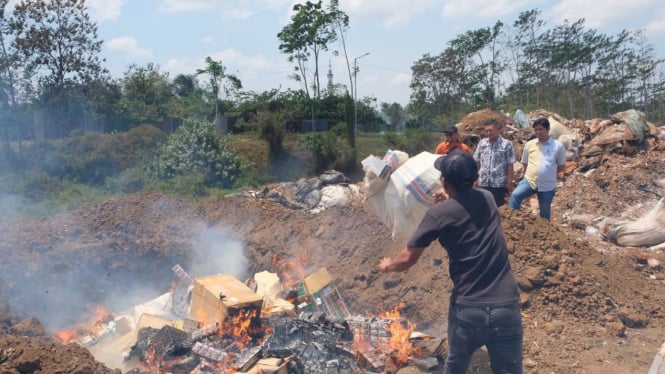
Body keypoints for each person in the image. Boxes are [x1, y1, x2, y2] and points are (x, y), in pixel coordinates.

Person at [379, 149, 523, 374]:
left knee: (456, 366)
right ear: (475, 179)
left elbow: (407, 259)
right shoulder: (487, 199)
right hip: (507, 307)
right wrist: (449, 197)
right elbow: (465, 203)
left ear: (444, 181)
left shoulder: (438, 214)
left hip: (469, 311)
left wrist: (388, 266)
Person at [508, 117, 566, 221]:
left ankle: (546, 233)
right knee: (515, 196)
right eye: (536, 130)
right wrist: (532, 173)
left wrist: (556, 178)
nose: (538, 132)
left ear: (548, 129)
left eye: (541, 129)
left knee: (545, 211)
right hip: (530, 181)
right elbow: (525, 163)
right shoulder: (529, 145)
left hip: (547, 184)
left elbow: (561, 166)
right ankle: (513, 222)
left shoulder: (557, 146)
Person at [473, 119, 515, 206]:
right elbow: (477, 160)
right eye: (487, 131)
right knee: (482, 206)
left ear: (498, 129)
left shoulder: (506, 144)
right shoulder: (482, 143)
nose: (488, 133)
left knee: (497, 207)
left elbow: (510, 163)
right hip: (483, 181)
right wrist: (475, 178)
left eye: (490, 130)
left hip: (498, 183)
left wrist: (510, 180)